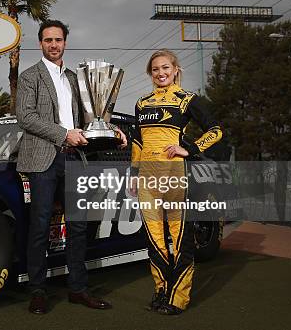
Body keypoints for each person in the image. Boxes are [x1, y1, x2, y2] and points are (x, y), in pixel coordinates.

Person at [16, 20, 127, 314]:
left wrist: (113, 129)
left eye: (59, 40)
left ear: (65, 42)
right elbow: (25, 117)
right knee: (39, 226)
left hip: (75, 158)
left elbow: (93, 115)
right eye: (48, 40)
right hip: (43, 160)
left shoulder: (77, 79)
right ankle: (38, 290)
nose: (54, 44)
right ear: (40, 43)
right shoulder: (30, 77)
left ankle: (78, 289)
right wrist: (64, 133)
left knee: (79, 227)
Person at [129, 49, 222, 315]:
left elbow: (216, 130)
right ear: (150, 73)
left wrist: (189, 149)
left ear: (175, 70)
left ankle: (178, 299)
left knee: (180, 240)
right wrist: (134, 176)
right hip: (147, 179)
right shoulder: (142, 103)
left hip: (174, 176)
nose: (161, 73)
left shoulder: (187, 99)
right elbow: (138, 142)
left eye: (166, 68)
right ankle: (160, 292)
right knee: (154, 240)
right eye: (156, 69)